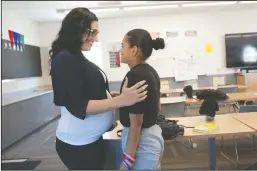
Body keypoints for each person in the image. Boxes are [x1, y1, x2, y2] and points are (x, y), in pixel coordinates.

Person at [49, 8, 148, 170]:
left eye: (96, 33)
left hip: (89, 140)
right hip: (78, 145)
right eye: (92, 32)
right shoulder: (64, 59)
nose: (95, 38)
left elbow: (84, 90)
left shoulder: (75, 57)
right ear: (77, 30)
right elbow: (78, 106)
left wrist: (109, 96)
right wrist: (120, 100)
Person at [118, 29, 165, 170]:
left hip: (142, 143)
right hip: (153, 136)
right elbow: (157, 108)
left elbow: (136, 124)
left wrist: (126, 161)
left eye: (123, 46)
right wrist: (122, 100)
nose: (120, 50)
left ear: (134, 50)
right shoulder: (150, 71)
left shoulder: (135, 76)